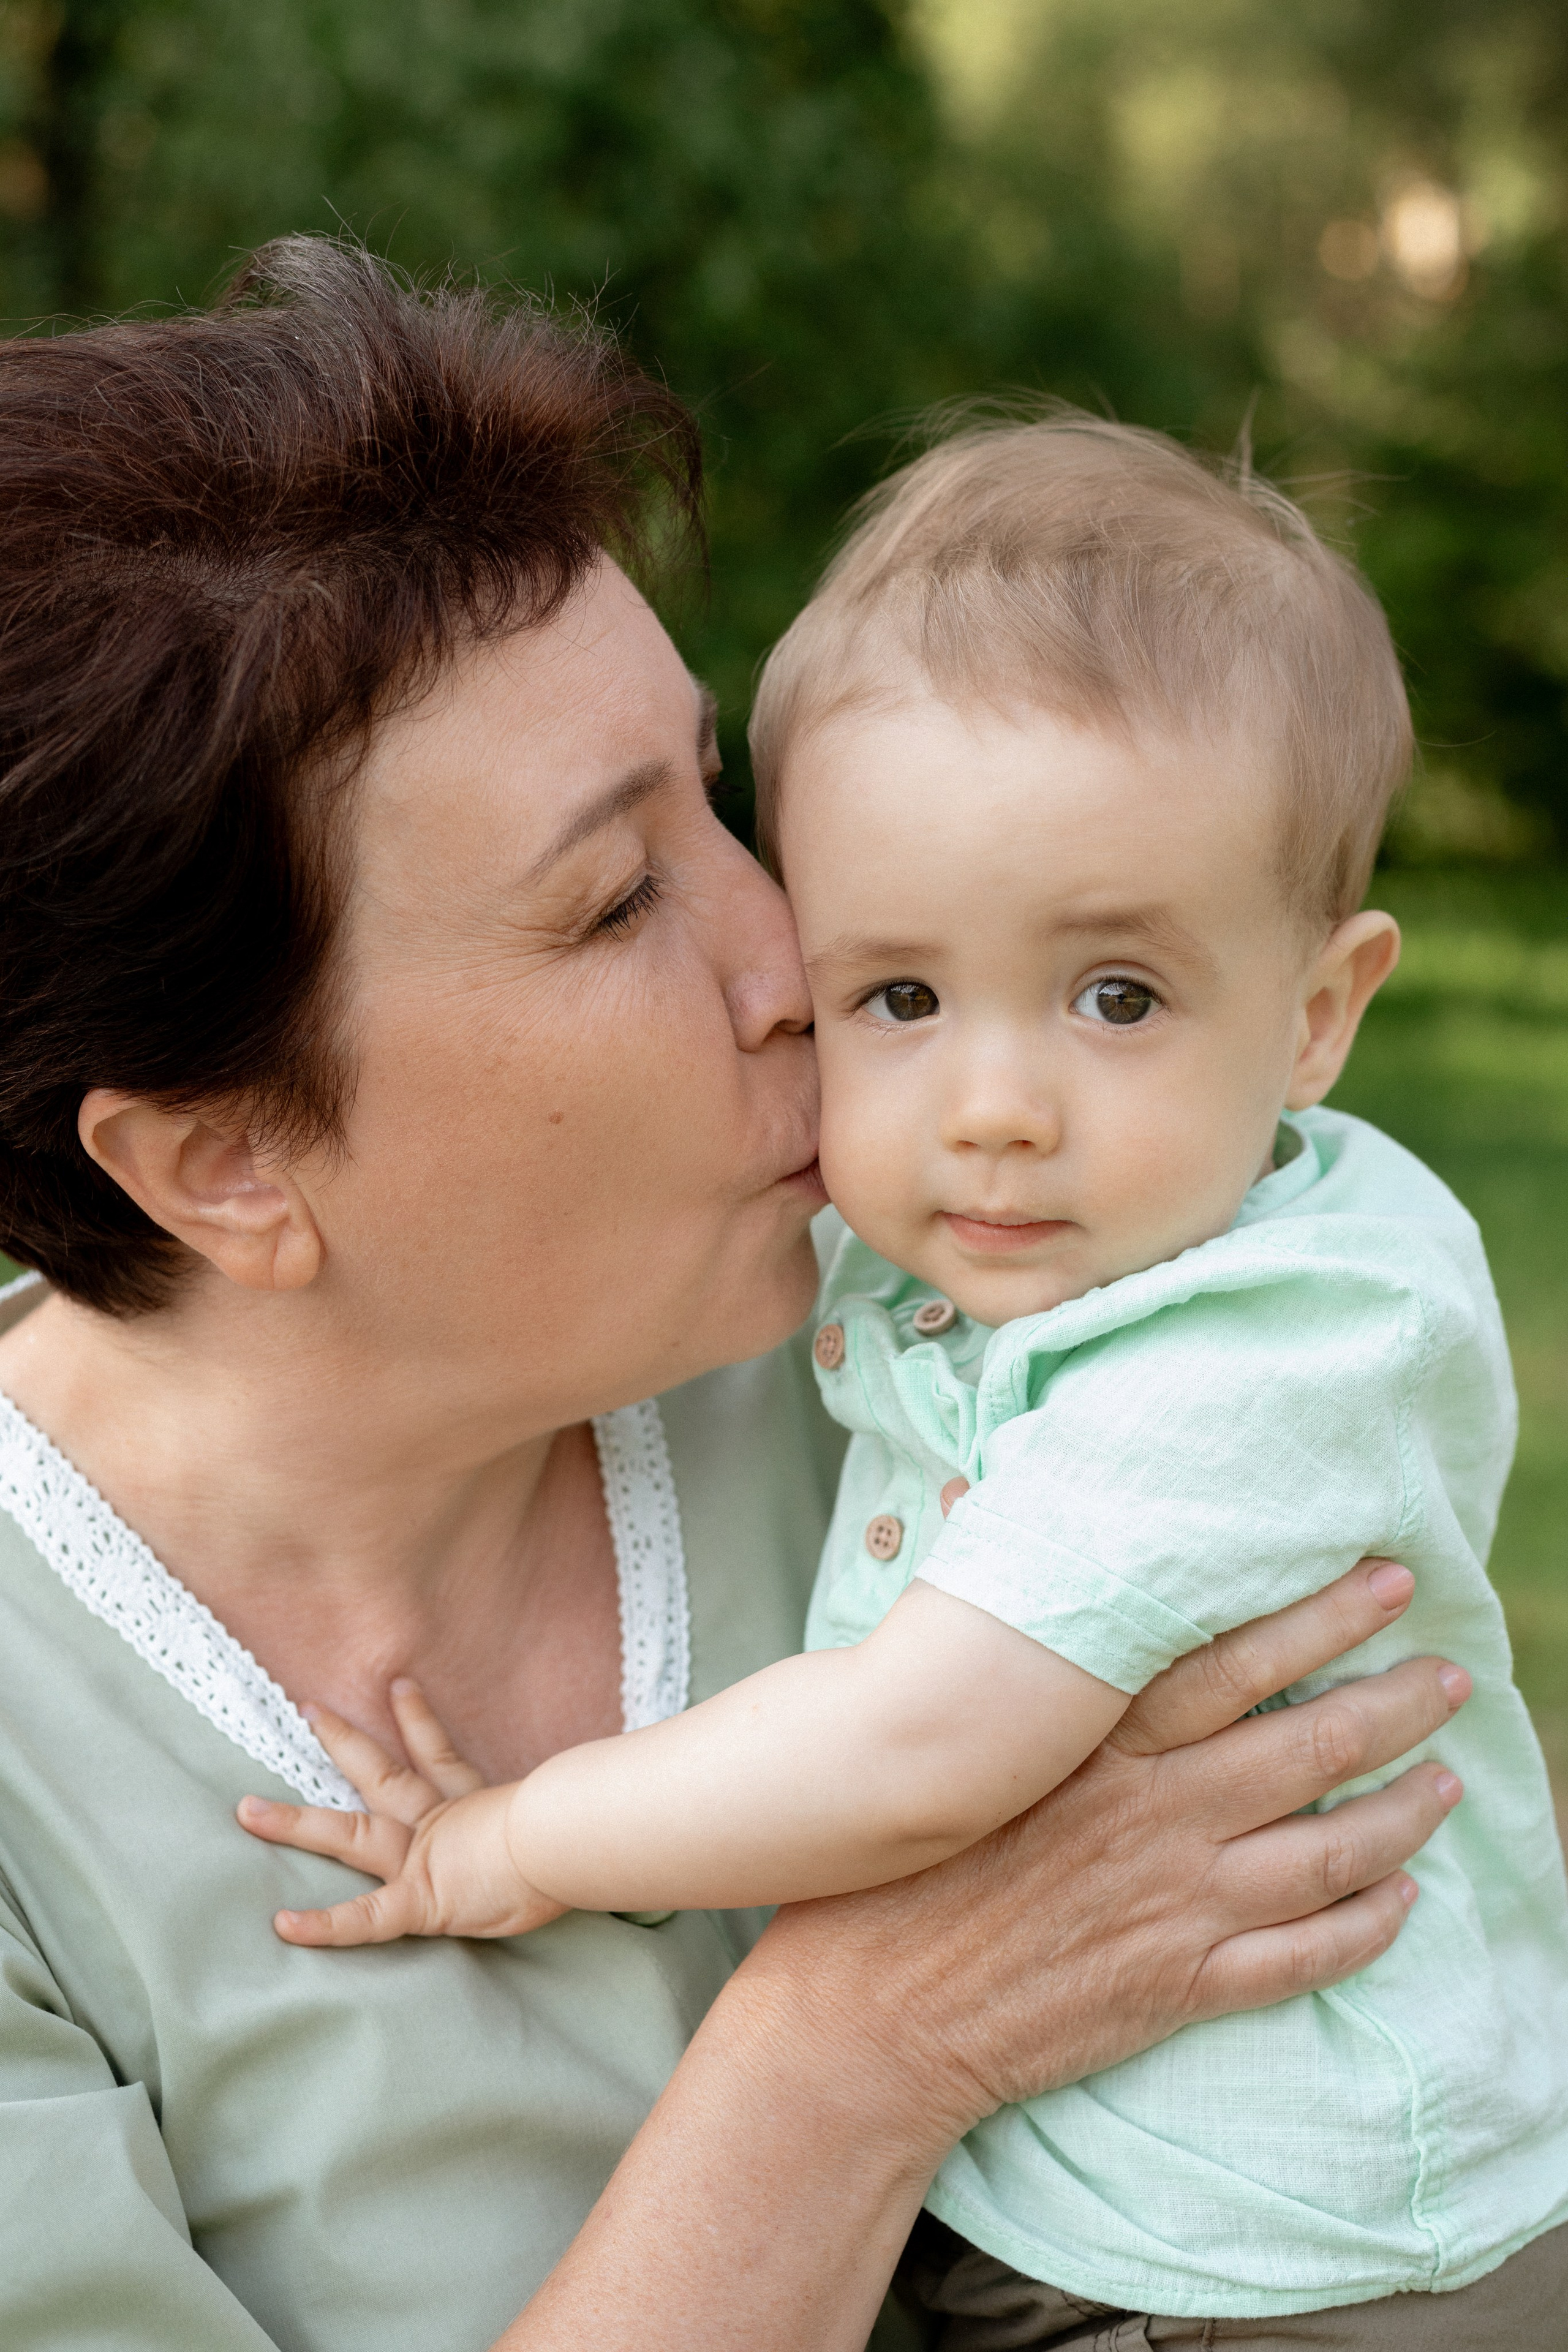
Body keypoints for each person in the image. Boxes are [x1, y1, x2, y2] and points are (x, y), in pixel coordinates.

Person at [0, 244, 1468, 2352]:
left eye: (722, 800)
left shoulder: (964, 1319)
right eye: (615, 900)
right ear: (228, 1160)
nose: (795, 955)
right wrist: (864, 2048)